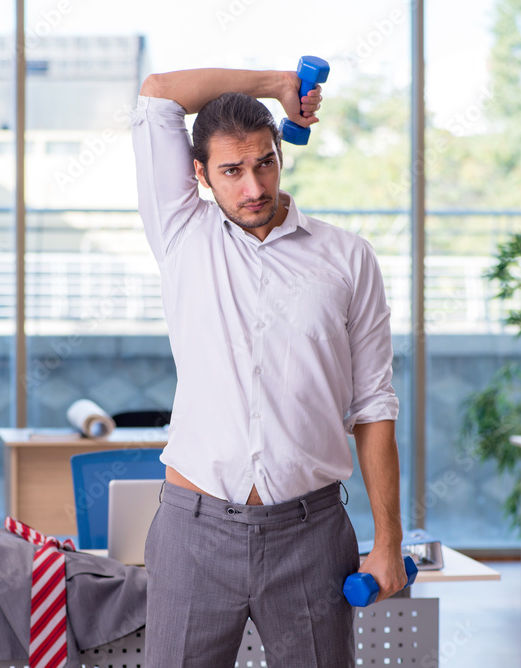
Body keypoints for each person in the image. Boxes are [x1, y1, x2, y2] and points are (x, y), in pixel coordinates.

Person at [130, 67, 406, 668]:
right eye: (232, 170)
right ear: (199, 175)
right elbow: (157, 91)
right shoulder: (181, 232)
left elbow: (375, 406)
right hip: (193, 533)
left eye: (265, 163)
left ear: (280, 155)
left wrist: (389, 542)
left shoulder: (348, 259)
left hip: (310, 536)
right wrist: (278, 83)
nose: (253, 186)